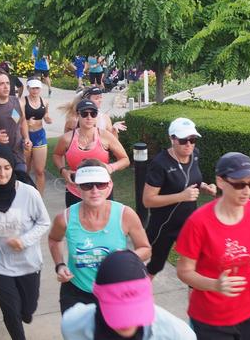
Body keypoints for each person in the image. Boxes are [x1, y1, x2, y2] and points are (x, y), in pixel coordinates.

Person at [176, 152, 250, 340]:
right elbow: (184, 271)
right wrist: (214, 285)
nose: (246, 190)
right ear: (220, 182)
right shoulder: (198, 222)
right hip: (211, 317)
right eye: (239, 184)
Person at [0, 144, 50, 340]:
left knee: (27, 309)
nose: (2, 173)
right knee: (10, 311)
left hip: (28, 263)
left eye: (6, 167)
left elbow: (44, 222)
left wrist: (23, 241)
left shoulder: (29, 193)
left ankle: (26, 312)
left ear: (13, 167)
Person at [48, 159, 151, 313]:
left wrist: (123, 259)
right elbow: (54, 239)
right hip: (77, 292)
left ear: (109, 185)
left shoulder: (125, 215)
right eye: (87, 185)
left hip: (116, 291)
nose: (95, 190)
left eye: (100, 184)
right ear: (77, 189)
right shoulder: (65, 219)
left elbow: (145, 249)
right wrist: (60, 265)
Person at [61, 250, 196, 340]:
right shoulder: (73, 326)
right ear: (97, 297)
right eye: (119, 311)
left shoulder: (177, 334)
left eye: (134, 310)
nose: (126, 323)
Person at [143, 118, 217, 279]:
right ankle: (137, 299)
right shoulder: (160, 164)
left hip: (189, 223)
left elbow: (190, 179)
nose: (189, 144)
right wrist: (181, 196)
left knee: (196, 266)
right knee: (154, 265)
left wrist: (204, 186)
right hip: (163, 225)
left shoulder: (194, 155)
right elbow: (148, 200)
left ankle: (195, 302)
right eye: (183, 140)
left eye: (193, 140)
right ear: (172, 139)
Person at [52, 99, 130, 207]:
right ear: (77, 115)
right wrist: (63, 170)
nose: (89, 117)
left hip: (102, 191)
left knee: (104, 223)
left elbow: (125, 159)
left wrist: (111, 167)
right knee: (76, 223)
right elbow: (57, 155)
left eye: (93, 114)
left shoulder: (105, 136)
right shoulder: (67, 138)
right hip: (76, 191)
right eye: (84, 114)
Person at [22, 78, 52, 194]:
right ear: (28, 88)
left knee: (40, 170)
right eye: (32, 88)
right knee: (25, 169)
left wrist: (48, 119)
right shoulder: (22, 102)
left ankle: (39, 198)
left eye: (37, 88)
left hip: (39, 135)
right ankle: (24, 195)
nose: (35, 90)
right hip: (26, 136)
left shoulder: (44, 102)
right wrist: (24, 122)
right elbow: (14, 118)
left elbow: (46, 115)